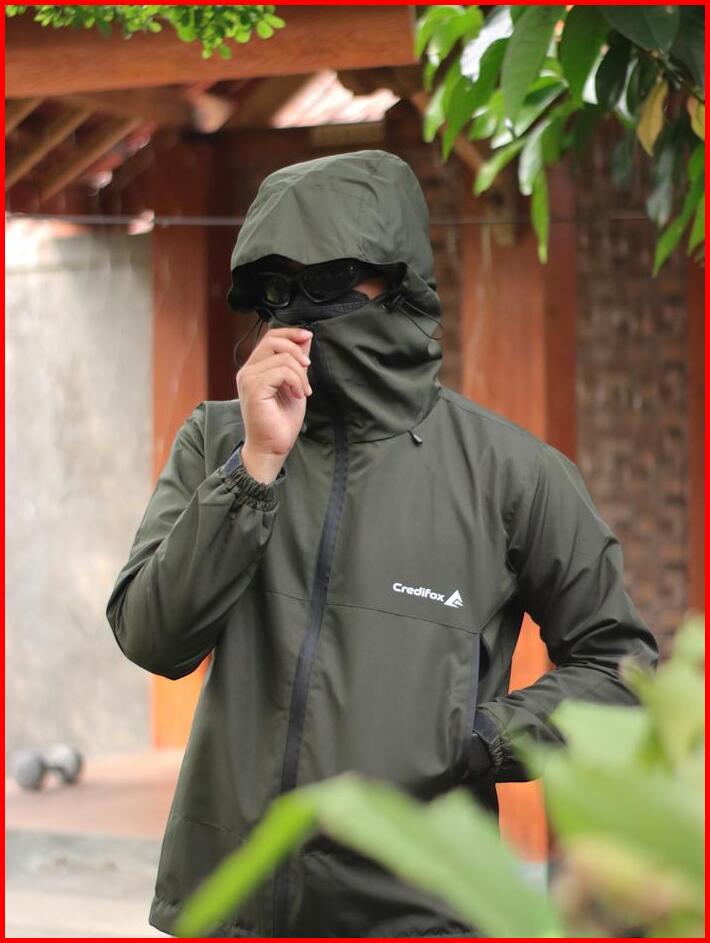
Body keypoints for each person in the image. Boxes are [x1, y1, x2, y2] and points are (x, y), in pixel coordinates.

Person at [106, 149, 659, 938]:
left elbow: (622, 671)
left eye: (329, 279)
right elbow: (153, 637)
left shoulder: (512, 473)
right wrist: (254, 469)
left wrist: (479, 738)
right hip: (228, 906)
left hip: (418, 912)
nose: (300, 311)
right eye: (278, 288)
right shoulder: (218, 443)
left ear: (398, 279)